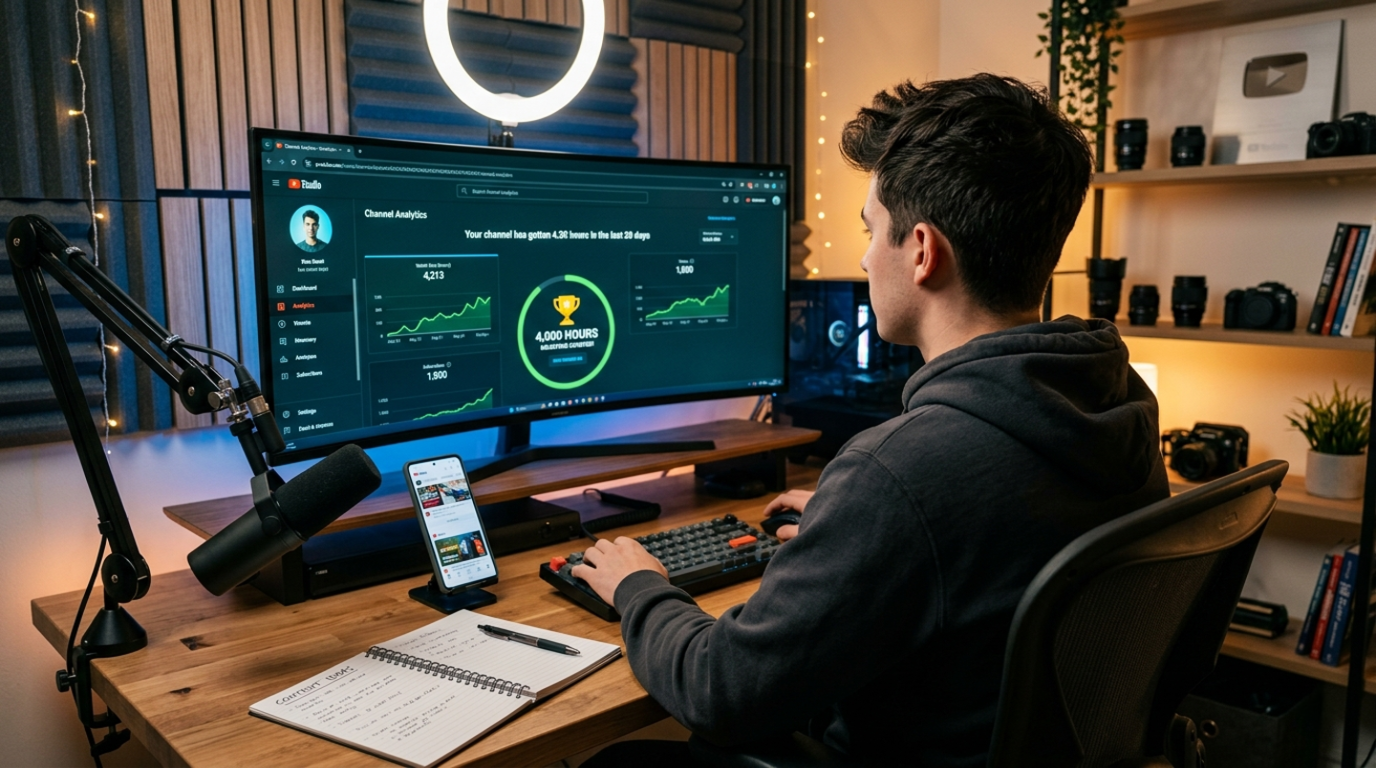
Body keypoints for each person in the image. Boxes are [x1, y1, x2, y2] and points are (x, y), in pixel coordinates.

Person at [574, 74, 1170, 767]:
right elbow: (980, 550)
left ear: (921, 250)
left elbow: (721, 690)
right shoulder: (1114, 400)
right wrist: (852, 535)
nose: (863, 257)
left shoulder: (899, 472)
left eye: (871, 229)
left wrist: (639, 585)